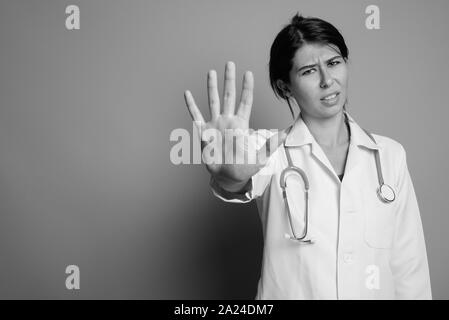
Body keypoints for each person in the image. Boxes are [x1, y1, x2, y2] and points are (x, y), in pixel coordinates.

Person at [183, 13, 432, 300]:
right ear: (284, 86)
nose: (328, 80)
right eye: (309, 71)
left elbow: (409, 268)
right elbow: (236, 181)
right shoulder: (267, 150)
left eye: (334, 63)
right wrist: (229, 175)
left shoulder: (390, 156)